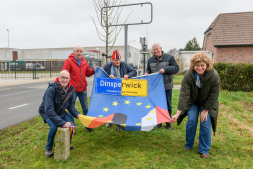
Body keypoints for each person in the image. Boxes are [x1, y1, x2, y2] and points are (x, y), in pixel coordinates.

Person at [172, 52, 220, 159]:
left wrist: (206, 110)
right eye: (197, 65)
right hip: (193, 102)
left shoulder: (214, 75)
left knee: (205, 122)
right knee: (191, 120)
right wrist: (178, 113)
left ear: (207, 65)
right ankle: (189, 144)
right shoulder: (189, 75)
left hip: (208, 103)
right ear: (193, 66)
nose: (200, 68)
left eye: (202, 65)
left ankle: (204, 149)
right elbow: (184, 94)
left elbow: (214, 95)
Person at [39, 70, 81, 157]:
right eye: (62, 77)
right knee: (54, 127)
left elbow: (71, 106)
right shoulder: (51, 90)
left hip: (60, 111)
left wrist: (77, 114)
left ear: (69, 79)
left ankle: (66, 143)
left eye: (66, 78)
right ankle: (49, 148)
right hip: (47, 112)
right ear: (58, 78)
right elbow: (49, 110)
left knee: (71, 124)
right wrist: (62, 123)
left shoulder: (70, 90)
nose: (64, 80)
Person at [145, 43, 179, 130]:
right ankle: (158, 122)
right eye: (154, 49)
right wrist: (146, 72)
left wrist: (165, 69)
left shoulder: (169, 58)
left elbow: (176, 68)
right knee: (157, 105)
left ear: (161, 48)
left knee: (167, 105)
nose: (155, 51)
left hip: (166, 86)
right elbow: (148, 69)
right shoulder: (150, 59)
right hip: (155, 87)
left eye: (157, 49)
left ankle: (168, 123)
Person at [62, 46, 96, 132]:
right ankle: (71, 128)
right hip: (72, 89)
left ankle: (87, 125)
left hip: (83, 89)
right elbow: (64, 73)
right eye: (77, 51)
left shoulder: (84, 61)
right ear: (74, 51)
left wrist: (93, 70)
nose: (79, 53)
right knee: (71, 109)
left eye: (80, 51)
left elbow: (87, 73)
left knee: (86, 109)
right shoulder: (69, 61)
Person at [103, 50, 137, 132]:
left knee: (120, 106)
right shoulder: (106, 66)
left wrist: (128, 75)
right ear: (112, 60)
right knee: (111, 106)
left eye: (119, 60)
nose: (118, 61)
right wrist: (108, 77)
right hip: (111, 90)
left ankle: (119, 124)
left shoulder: (124, 64)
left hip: (122, 90)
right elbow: (102, 76)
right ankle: (110, 121)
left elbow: (134, 71)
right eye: (116, 60)